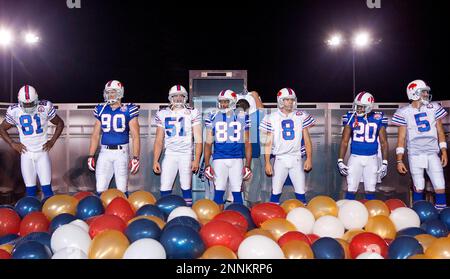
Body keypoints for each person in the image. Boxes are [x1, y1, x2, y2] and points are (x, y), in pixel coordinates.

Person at [0, 85, 64, 199]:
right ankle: (33, 216)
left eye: (31, 103)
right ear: (20, 101)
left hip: (42, 152)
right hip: (26, 153)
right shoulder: (14, 110)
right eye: (26, 104)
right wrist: (12, 143)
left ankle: (49, 215)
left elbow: (60, 123)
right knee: (30, 191)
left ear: (37, 99)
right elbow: (2, 128)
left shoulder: (44, 107)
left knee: (47, 191)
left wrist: (52, 141)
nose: (29, 106)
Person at [393, 80, 448, 209]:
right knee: (419, 186)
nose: (426, 94)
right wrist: (399, 160)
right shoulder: (404, 112)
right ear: (414, 93)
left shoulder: (434, 107)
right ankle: (419, 216)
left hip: (432, 152)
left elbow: (440, 131)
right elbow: (401, 138)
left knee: (440, 185)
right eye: (423, 91)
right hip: (415, 154)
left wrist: (444, 151)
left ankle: (441, 217)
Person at [260, 88, 315, 204]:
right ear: (280, 100)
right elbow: (268, 142)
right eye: (287, 99)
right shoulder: (272, 117)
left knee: (301, 192)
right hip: (280, 158)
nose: (290, 102)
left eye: (291, 99)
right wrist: (267, 162)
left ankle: (303, 220)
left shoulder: (301, 115)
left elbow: (307, 139)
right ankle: (273, 219)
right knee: (275, 192)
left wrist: (309, 158)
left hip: (296, 158)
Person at [87, 80, 140, 196]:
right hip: (104, 152)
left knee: (122, 189)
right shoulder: (101, 109)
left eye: (114, 92)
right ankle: (101, 213)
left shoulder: (129, 109)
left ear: (120, 93)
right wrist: (90, 155)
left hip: (121, 152)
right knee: (100, 187)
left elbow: (135, 136)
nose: (111, 95)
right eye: (109, 92)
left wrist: (136, 157)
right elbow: (95, 135)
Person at [152, 85, 202, 206]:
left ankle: (188, 214)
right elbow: (159, 139)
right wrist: (155, 160)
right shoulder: (163, 113)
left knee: (186, 186)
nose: (179, 98)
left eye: (181, 96)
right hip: (170, 154)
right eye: (175, 96)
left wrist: (196, 160)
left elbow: (198, 139)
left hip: (186, 154)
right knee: (165, 186)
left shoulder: (192, 112)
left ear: (185, 97)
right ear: (171, 97)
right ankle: (164, 215)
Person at [203, 90, 252, 208]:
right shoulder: (212, 116)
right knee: (218, 193)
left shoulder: (243, 117)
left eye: (226, 101)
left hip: (237, 159)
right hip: (219, 158)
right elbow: (208, 143)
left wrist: (248, 165)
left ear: (233, 102)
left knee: (237, 193)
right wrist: (206, 164)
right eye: (221, 102)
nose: (223, 104)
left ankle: (239, 220)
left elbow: (247, 142)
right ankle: (217, 222)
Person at [337, 91, 389, 200]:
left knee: (371, 187)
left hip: (372, 158)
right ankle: (348, 212)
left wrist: (385, 162)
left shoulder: (378, 117)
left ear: (369, 107)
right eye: (357, 106)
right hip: (355, 157)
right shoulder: (350, 117)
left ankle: (370, 213)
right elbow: (344, 141)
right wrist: (340, 160)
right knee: (351, 187)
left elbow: (384, 142)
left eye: (361, 107)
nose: (358, 109)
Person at [235, 90, 266, 206]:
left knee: (239, 189)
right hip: (249, 156)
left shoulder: (232, 117)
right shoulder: (255, 117)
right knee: (251, 191)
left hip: (237, 156)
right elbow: (262, 111)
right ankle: (252, 215)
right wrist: (256, 96)